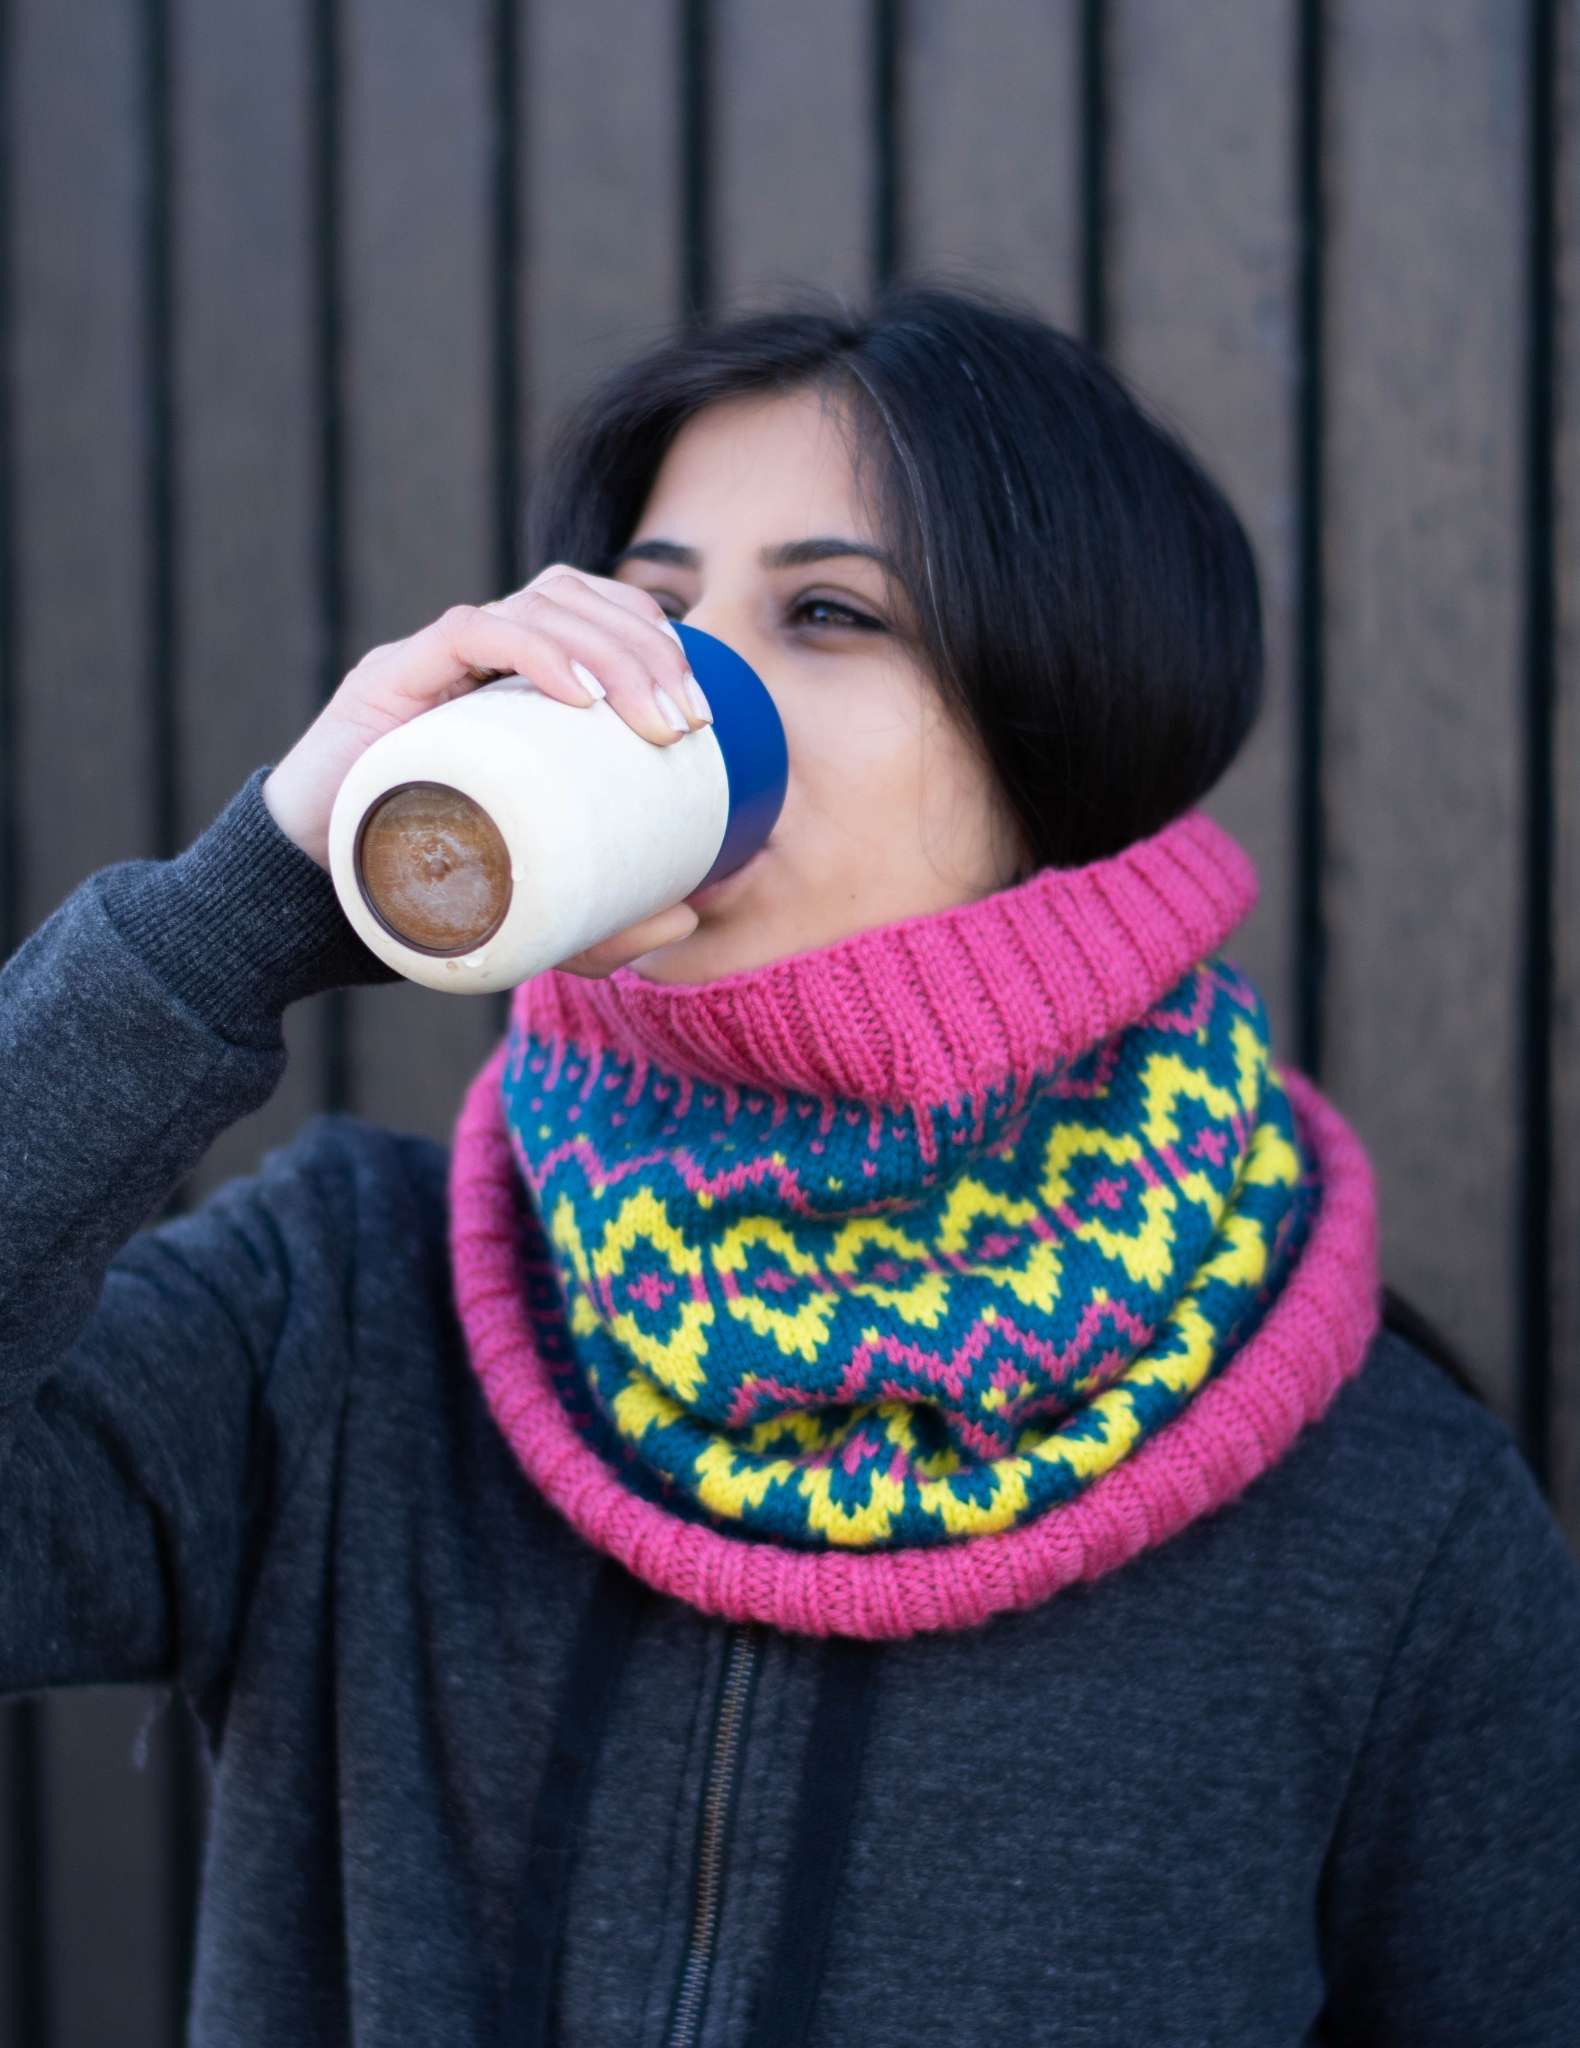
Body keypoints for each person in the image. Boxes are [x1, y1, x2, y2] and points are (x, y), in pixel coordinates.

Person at [3, 280, 1577, 2047]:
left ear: (1066, 738)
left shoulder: (1387, 1522)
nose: (676, 684)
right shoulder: (339, 1324)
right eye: (648, 607)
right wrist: (246, 910)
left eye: (827, 611)